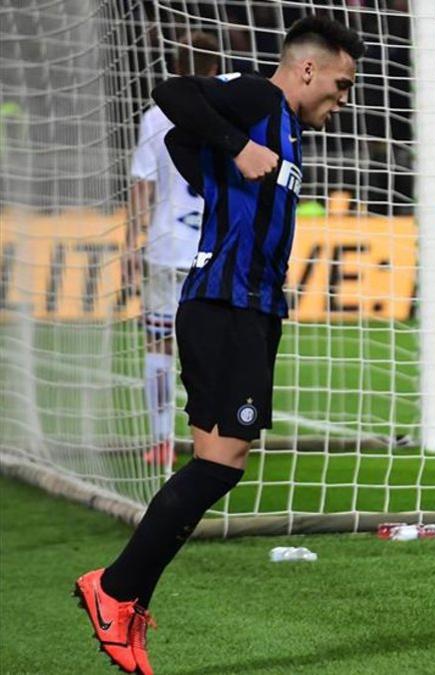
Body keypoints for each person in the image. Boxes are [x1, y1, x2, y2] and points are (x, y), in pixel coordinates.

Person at [74, 16, 363, 674]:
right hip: (227, 304)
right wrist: (233, 148)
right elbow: (173, 93)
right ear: (309, 68)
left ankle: (123, 599)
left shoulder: (287, 128)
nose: (342, 100)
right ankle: (114, 590)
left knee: (216, 461)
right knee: (221, 464)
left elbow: (181, 140)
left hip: (246, 307)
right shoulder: (263, 100)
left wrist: (215, 170)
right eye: (341, 85)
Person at [129, 31, 221, 468]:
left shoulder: (156, 115)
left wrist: (133, 245)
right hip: (214, 244)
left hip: (167, 246)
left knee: (159, 343)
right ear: (215, 68)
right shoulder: (227, 110)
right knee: (213, 346)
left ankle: (160, 439)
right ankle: (217, 439)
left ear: (174, 67)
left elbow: (142, 187)